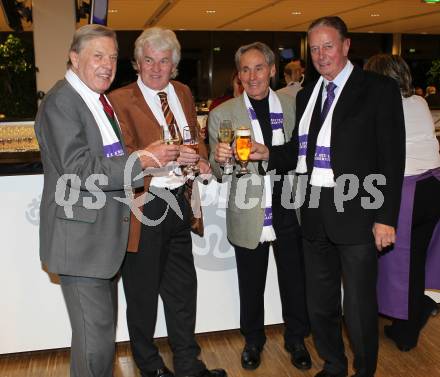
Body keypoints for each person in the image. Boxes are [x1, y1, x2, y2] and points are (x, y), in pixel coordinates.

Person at [249, 17, 405, 377]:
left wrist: (386, 217)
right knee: (320, 304)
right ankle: (334, 365)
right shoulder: (308, 93)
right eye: (315, 48)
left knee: (359, 308)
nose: (321, 55)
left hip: (360, 215)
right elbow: (299, 154)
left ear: (346, 46)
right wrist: (267, 153)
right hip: (314, 213)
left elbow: (392, 160)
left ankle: (364, 371)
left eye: (328, 46)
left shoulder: (378, 89)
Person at [34, 24, 153, 377]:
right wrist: (142, 161)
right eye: (97, 56)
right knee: (96, 342)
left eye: (113, 57)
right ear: (74, 58)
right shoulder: (62, 102)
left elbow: (107, 155)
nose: (107, 65)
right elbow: (79, 169)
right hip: (81, 244)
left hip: (100, 242)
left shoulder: (97, 99)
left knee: (96, 339)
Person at [108, 27, 226, 377]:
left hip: (182, 200)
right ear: (137, 63)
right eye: (148, 60)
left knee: (182, 291)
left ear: (174, 64)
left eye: (164, 61)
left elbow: (195, 135)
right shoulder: (119, 100)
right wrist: (151, 158)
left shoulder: (184, 92)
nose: (156, 68)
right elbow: (119, 155)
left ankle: (189, 364)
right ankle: (150, 367)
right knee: (142, 295)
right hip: (146, 202)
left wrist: (201, 158)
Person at [209, 42, 311, 372]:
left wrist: (269, 152)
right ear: (238, 75)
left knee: (295, 283)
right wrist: (219, 160)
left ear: (271, 70)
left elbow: (302, 154)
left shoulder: (295, 104)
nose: (252, 76)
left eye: (258, 68)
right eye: (245, 70)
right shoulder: (221, 115)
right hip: (248, 210)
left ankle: (296, 339)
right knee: (250, 285)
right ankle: (253, 341)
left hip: (289, 207)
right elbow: (218, 172)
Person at [364, 54, 440, 352]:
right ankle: (414, 310)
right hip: (433, 185)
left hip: (406, 191)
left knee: (400, 265)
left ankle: (407, 331)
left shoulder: (382, 107)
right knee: (417, 259)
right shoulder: (419, 102)